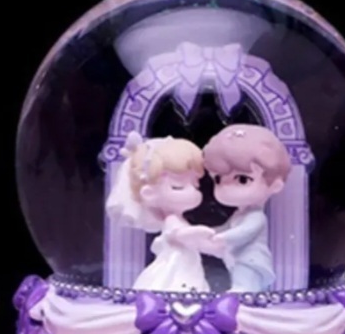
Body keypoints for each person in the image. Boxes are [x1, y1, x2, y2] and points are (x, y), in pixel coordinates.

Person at [106, 131, 221, 292]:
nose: (193, 192)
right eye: (178, 187)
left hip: (186, 261)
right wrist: (199, 233)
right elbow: (177, 235)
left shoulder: (178, 219)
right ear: (149, 194)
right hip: (175, 265)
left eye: (196, 184)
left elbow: (192, 240)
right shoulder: (172, 220)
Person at [202, 124, 291, 292]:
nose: (226, 189)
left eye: (243, 180)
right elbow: (226, 227)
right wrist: (209, 232)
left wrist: (220, 239)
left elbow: (243, 232)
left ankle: (244, 296)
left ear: (275, 185)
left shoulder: (256, 217)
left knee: (245, 285)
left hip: (252, 260)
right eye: (218, 179)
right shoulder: (240, 213)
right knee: (239, 282)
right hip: (237, 258)